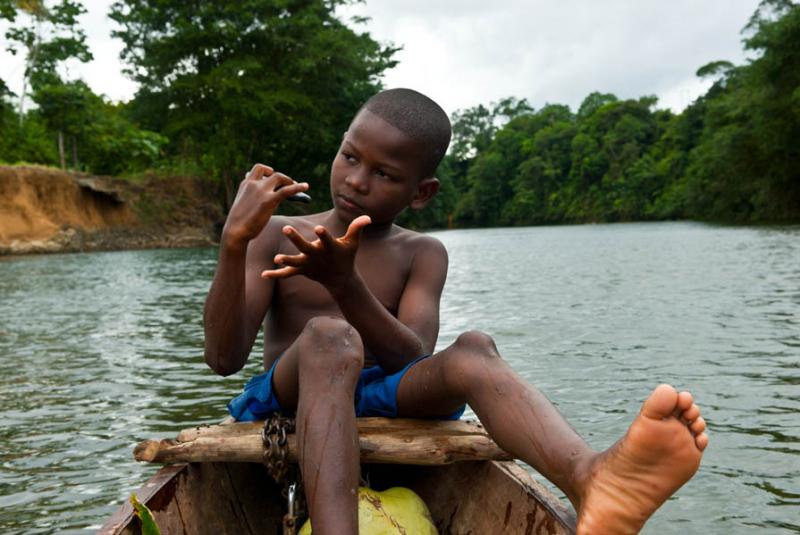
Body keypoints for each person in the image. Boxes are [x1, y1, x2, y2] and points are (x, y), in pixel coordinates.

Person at [203, 88, 708, 535]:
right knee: (328, 337)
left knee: (474, 349)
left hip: (384, 391)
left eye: (383, 173)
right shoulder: (276, 233)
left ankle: (592, 479)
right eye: (350, 157)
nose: (357, 181)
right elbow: (224, 358)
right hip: (291, 399)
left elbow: (412, 358)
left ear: (421, 193)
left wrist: (345, 283)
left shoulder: (420, 253)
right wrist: (233, 242)